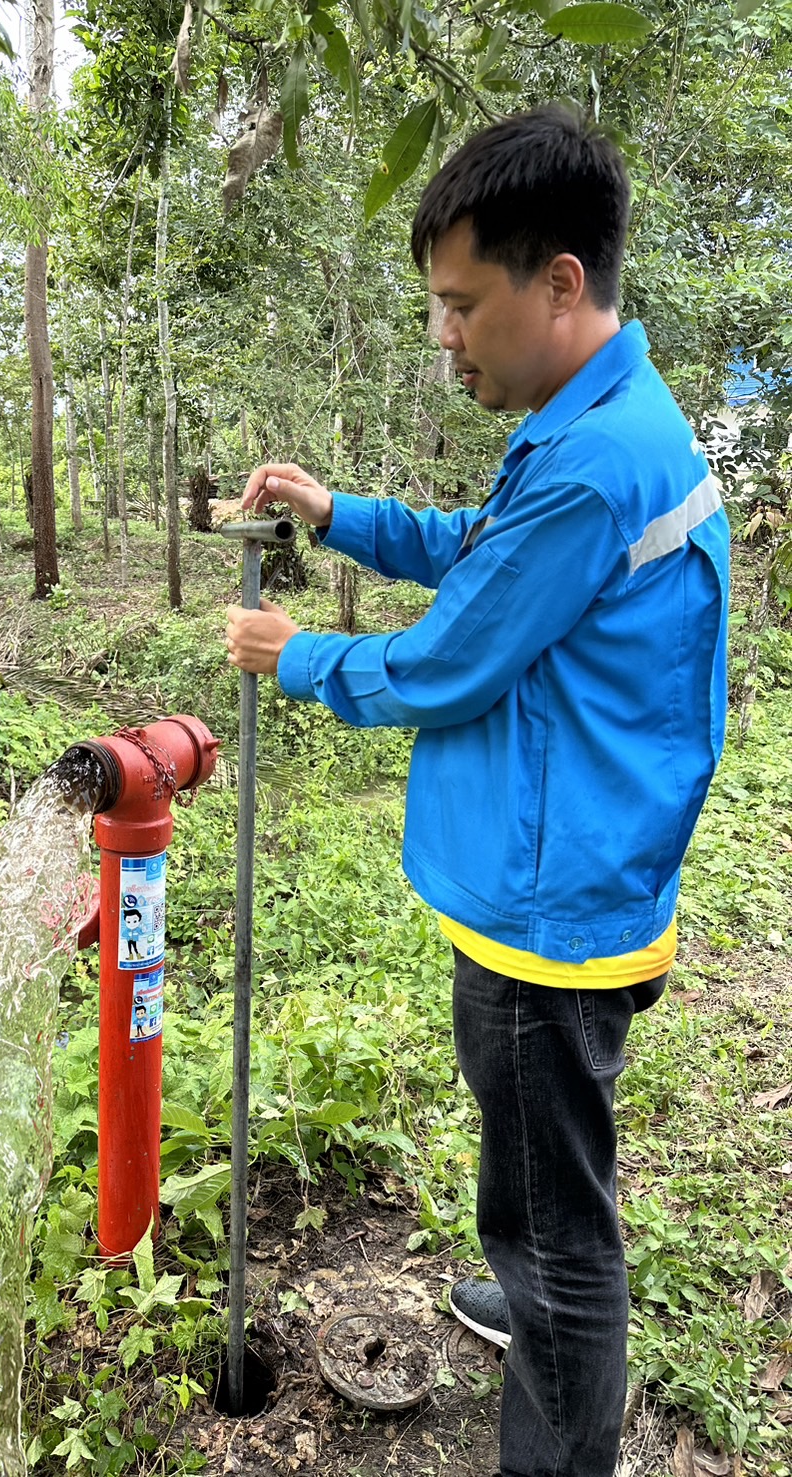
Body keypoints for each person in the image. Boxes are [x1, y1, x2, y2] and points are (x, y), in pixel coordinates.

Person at [225, 104, 729, 1477]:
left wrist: (300, 653)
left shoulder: (589, 463)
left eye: (461, 305)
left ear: (559, 281)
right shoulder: (597, 420)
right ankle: (541, 1287)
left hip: (547, 910)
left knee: (561, 1218)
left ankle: (562, 1427)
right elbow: (479, 551)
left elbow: (451, 663)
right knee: (540, 1157)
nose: (445, 336)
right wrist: (345, 516)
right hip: (580, 864)